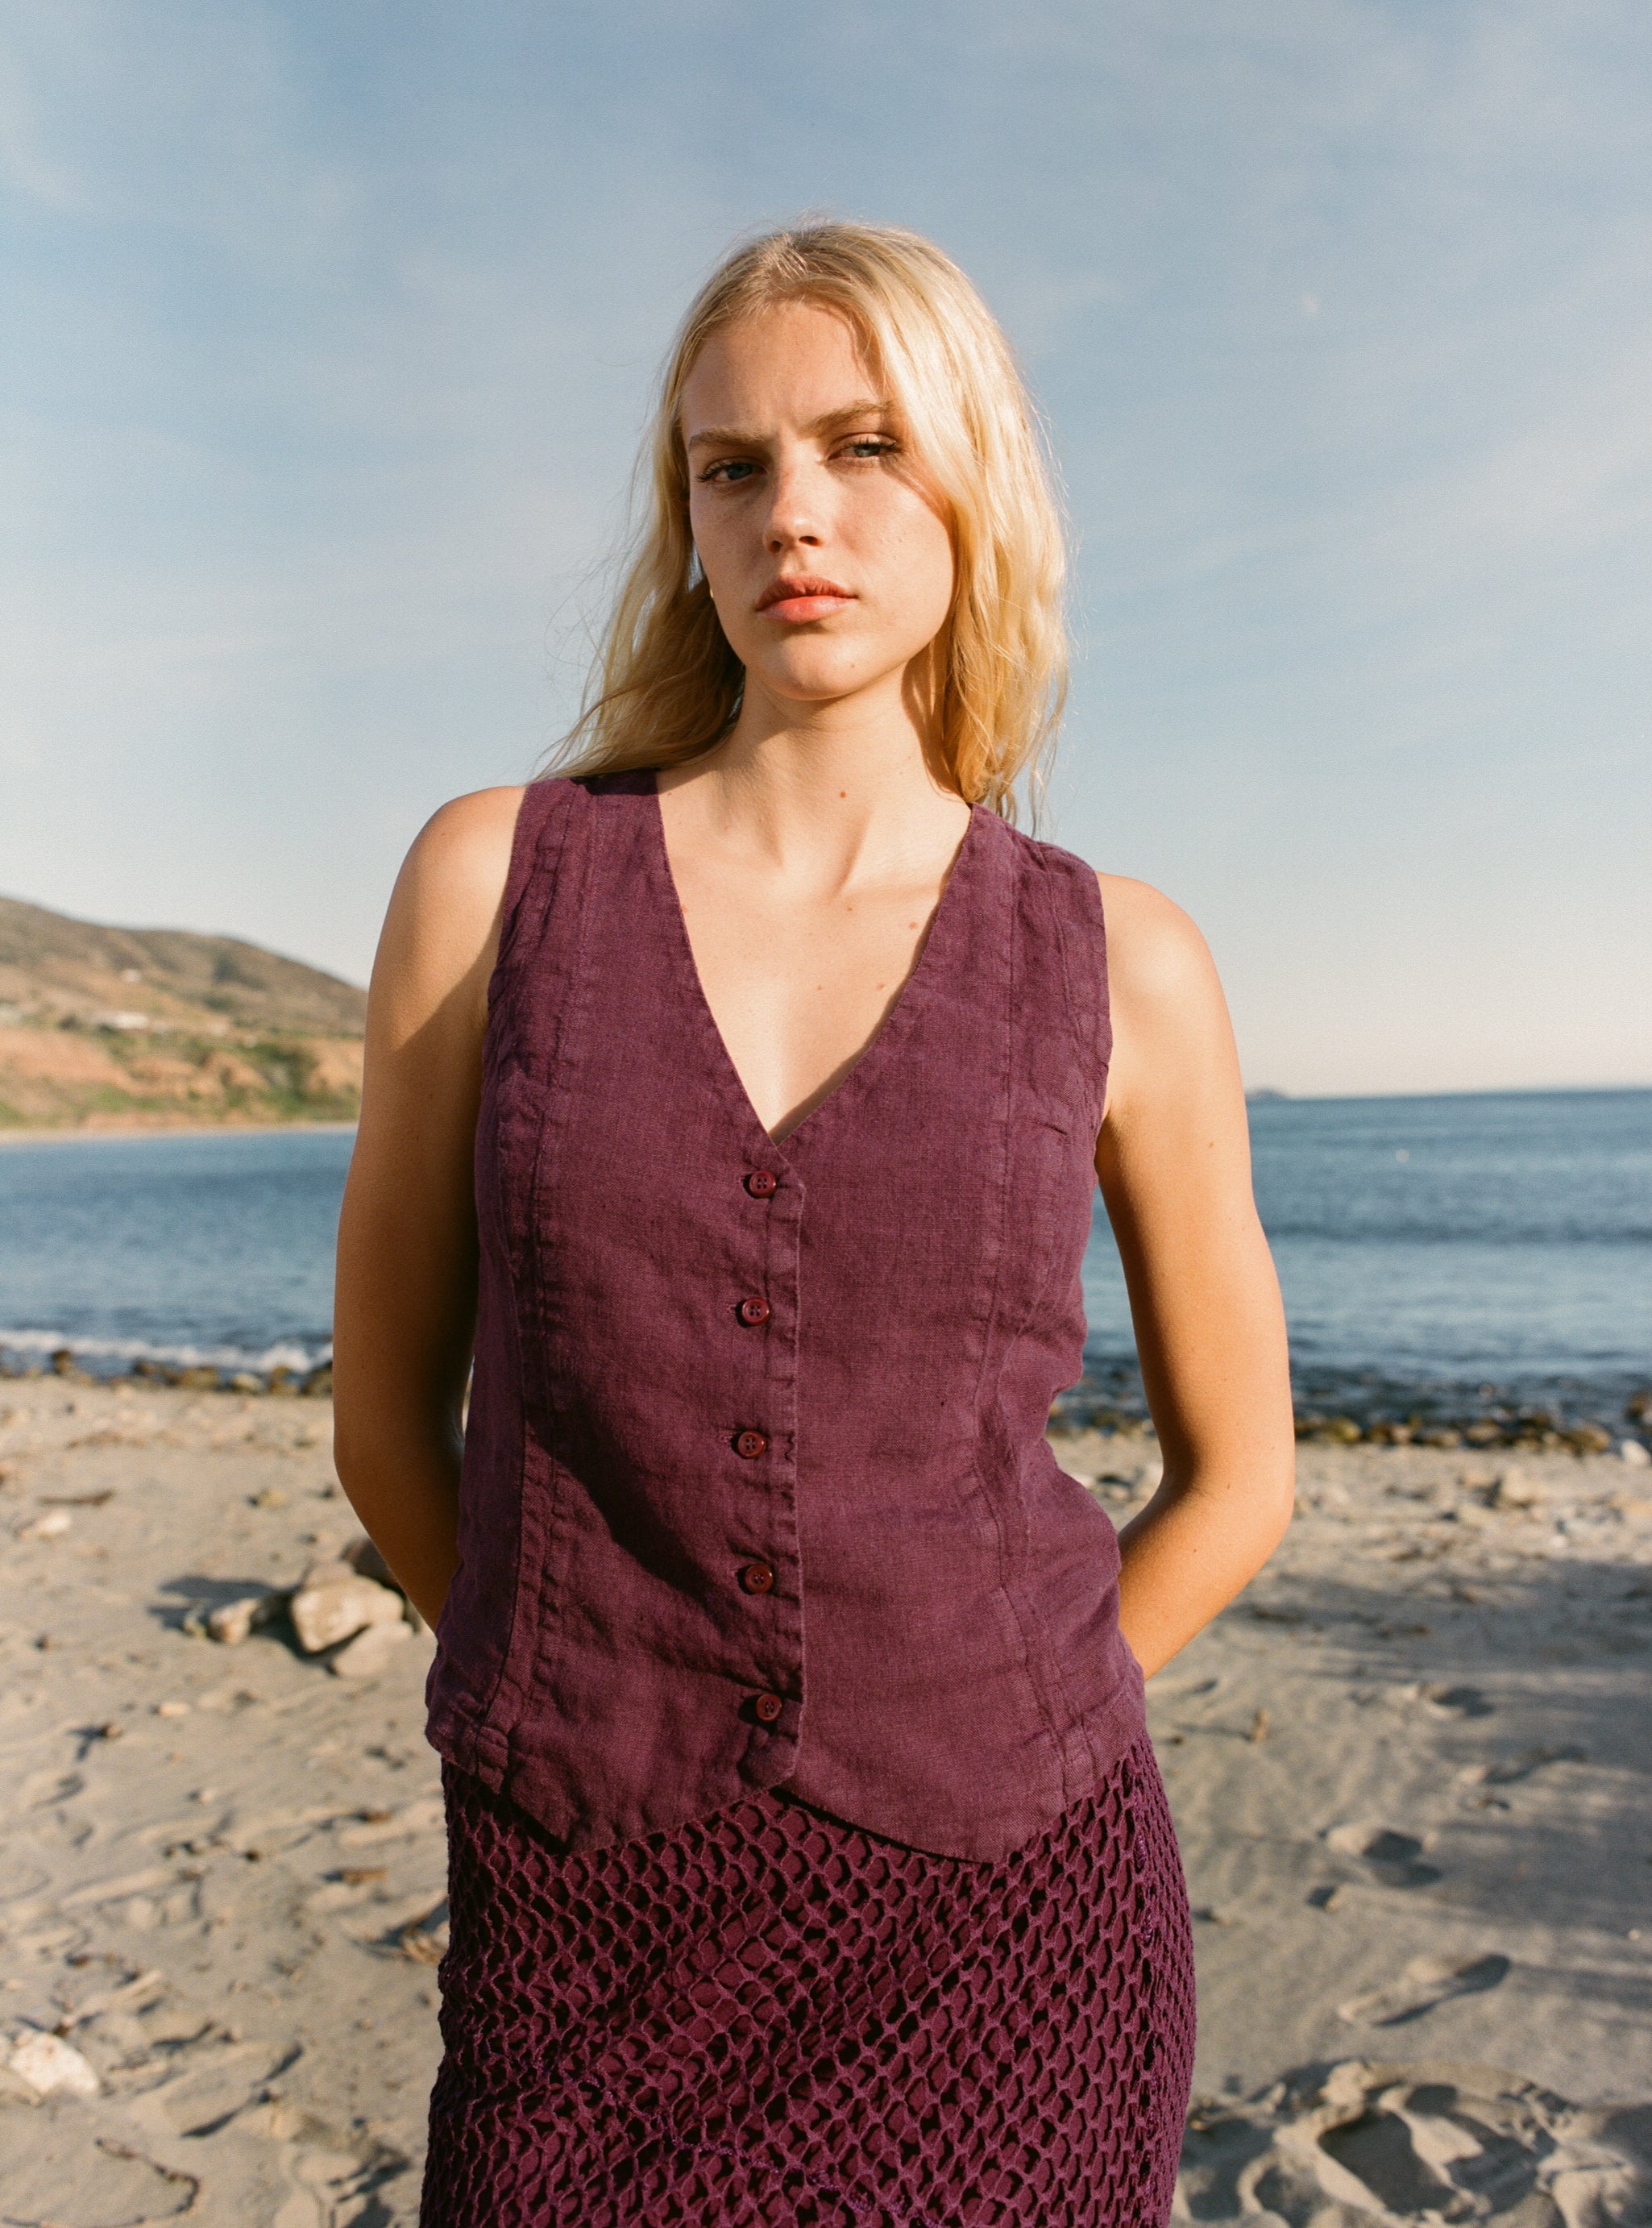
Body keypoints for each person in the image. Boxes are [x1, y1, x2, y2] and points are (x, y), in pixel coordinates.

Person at [333, 221, 1294, 2228]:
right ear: (682, 516)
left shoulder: (1129, 961)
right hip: (581, 1926)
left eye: (866, 446)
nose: (798, 517)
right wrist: (566, 1691)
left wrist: (996, 1723)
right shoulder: (493, 880)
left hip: (1013, 1932)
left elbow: (1238, 1475)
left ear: (973, 479)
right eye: (732, 465)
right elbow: (381, 1424)